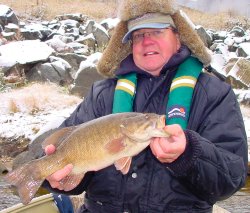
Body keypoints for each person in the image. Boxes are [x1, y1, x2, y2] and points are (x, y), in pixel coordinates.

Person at [43, 0, 248, 212]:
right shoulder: (102, 94)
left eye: (157, 31)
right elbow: (69, 164)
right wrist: (54, 177)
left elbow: (232, 178)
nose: (147, 41)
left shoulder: (214, 94)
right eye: (139, 35)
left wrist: (190, 154)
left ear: (178, 38)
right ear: (129, 44)